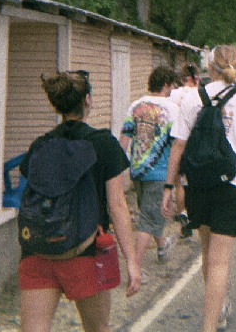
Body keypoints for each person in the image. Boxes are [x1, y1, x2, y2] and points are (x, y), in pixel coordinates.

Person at [19, 70, 141, 332]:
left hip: (38, 252)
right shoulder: (103, 144)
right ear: (88, 100)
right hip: (85, 252)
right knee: (97, 328)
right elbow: (117, 205)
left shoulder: (40, 144)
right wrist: (131, 260)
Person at [162, 45, 236, 332]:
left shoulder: (192, 98)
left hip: (198, 184)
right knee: (220, 261)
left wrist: (169, 186)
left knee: (207, 252)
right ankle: (210, 324)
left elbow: (179, 145)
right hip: (231, 184)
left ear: (209, 68)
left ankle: (217, 309)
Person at [119, 66, 181, 268]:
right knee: (147, 219)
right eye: (171, 86)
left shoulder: (136, 105)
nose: (172, 90)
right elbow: (177, 144)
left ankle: (162, 245)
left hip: (137, 170)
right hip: (160, 171)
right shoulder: (172, 109)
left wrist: (120, 167)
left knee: (149, 212)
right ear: (165, 85)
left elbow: (125, 137)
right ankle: (135, 268)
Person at [169, 62, 201, 238]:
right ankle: (193, 211)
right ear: (196, 78)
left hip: (179, 138)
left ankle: (181, 212)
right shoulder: (198, 94)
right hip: (195, 141)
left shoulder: (174, 94)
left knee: (179, 181)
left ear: (183, 78)